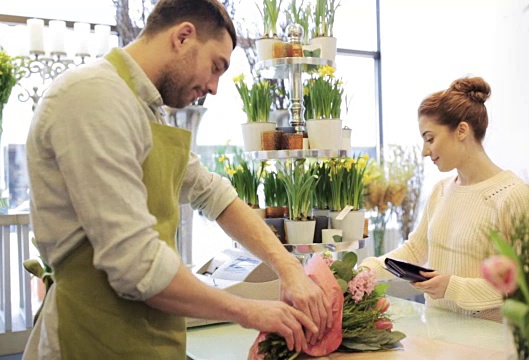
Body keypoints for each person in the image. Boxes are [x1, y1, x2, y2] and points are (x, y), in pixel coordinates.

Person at [23, 0, 331, 358]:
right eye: (216, 67)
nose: (214, 87)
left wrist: (288, 268)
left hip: (148, 340)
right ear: (183, 36)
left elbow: (213, 193)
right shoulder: (93, 97)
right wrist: (248, 310)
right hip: (91, 341)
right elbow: (137, 265)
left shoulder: (148, 109)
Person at [360, 77, 529, 322]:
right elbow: (414, 251)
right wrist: (364, 271)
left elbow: (527, 284)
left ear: (462, 130)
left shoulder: (514, 195)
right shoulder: (440, 191)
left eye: (430, 138)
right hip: (438, 338)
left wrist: (452, 287)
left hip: (490, 346)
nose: (425, 151)